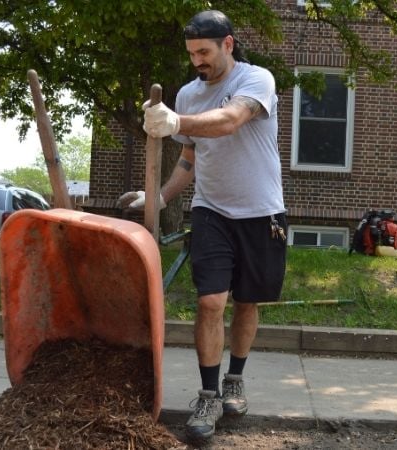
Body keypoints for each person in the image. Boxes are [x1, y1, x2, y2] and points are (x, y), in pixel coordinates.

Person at [117, 9, 287, 443]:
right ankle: (209, 394)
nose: (198, 61)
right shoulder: (189, 94)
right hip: (210, 211)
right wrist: (159, 196)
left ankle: (236, 380)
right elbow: (189, 158)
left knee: (247, 302)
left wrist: (175, 122)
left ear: (227, 44)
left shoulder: (257, 80)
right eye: (192, 53)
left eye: (205, 52)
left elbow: (230, 121)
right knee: (211, 301)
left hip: (261, 212)